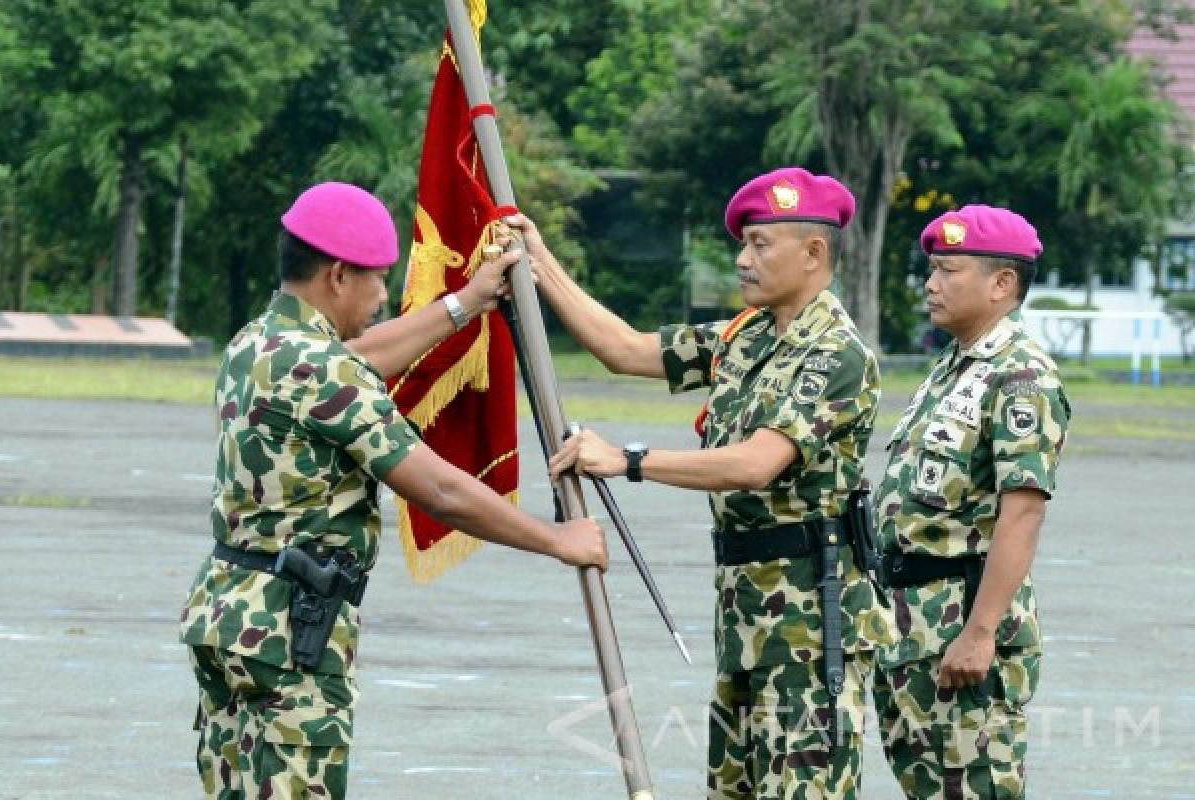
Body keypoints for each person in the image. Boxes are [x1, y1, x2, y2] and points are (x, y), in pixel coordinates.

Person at [178, 182, 607, 799]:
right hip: (288, 632)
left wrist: (466, 303)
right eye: (377, 281)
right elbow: (438, 489)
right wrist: (558, 539)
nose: (384, 297)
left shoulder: (255, 343)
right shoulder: (325, 369)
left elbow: (356, 358)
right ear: (337, 275)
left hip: (227, 618)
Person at [513, 166, 891, 799]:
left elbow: (755, 463)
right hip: (744, 613)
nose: (743, 260)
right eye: (742, 244)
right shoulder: (748, 336)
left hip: (809, 623)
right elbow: (629, 350)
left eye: (760, 245)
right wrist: (539, 261)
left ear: (814, 253)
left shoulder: (836, 353)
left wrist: (628, 460)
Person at [872, 205, 1071, 799]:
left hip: (964, 630)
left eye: (948, 270)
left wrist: (982, 632)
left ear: (1001, 284)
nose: (931, 284)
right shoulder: (952, 369)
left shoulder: (1021, 378)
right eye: (932, 269)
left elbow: (1024, 510)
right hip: (913, 629)